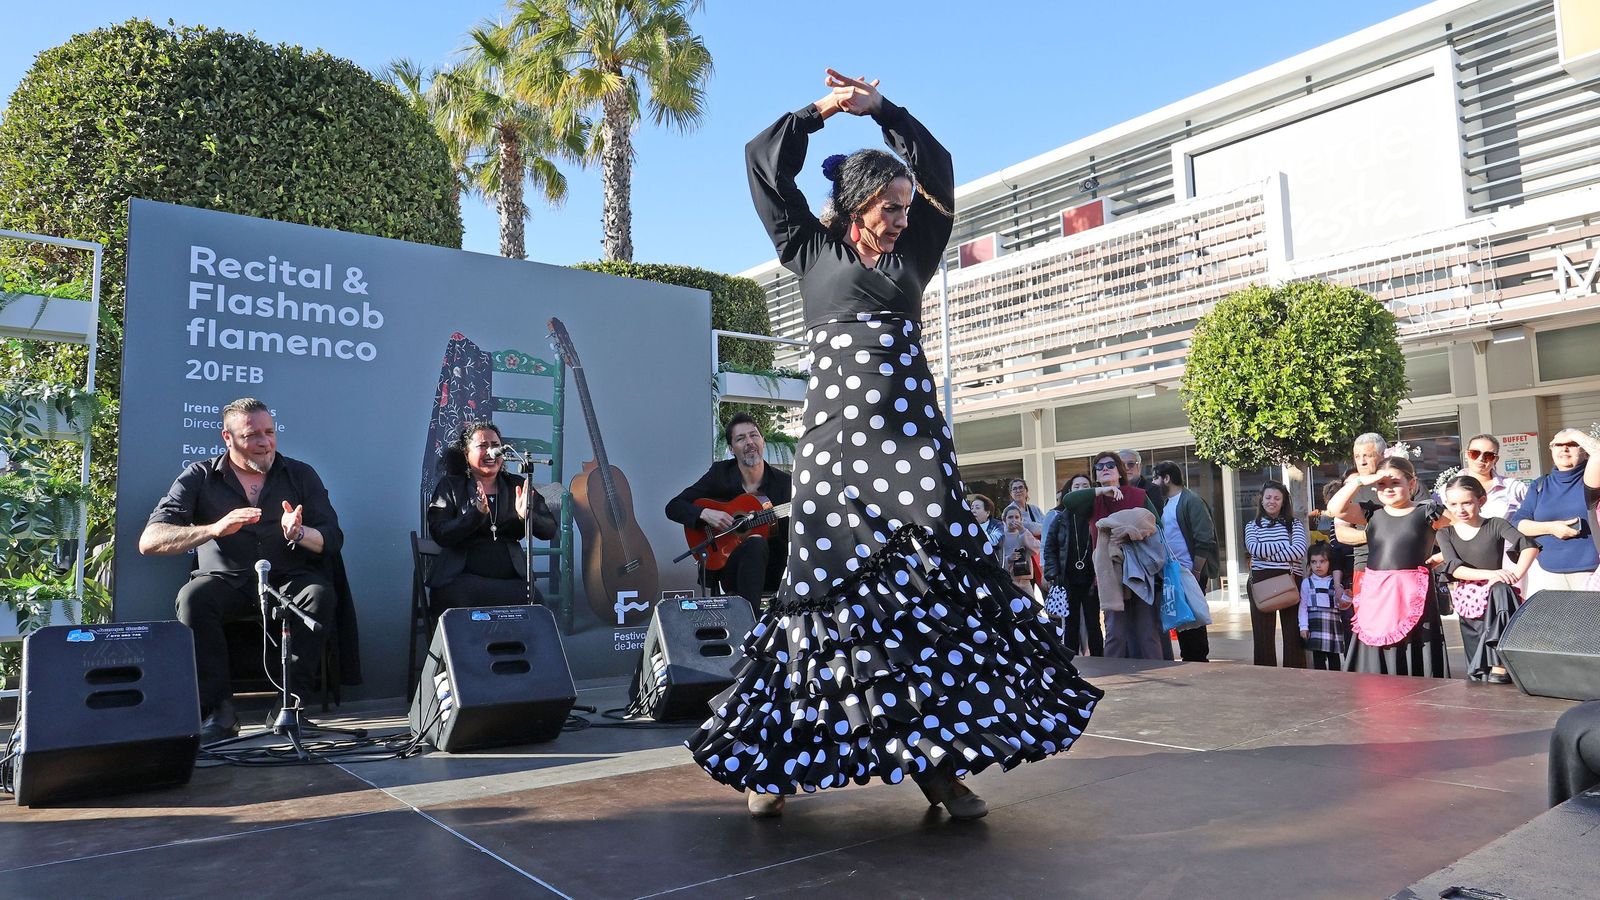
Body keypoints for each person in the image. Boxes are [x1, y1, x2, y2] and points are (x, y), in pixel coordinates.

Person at [688, 69, 1101, 820]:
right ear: (855, 206)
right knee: (820, 604)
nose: (902, 218)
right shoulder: (808, 249)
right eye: (889, 207)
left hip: (912, 457)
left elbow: (939, 170)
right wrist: (822, 111)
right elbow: (760, 161)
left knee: (926, 605)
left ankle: (939, 773)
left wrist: (883, 111)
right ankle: (778, 763)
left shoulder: (917, 254)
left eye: (907, 207)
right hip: (833, 459)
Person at [139, 398, 342, 744]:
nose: (264, 442)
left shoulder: (300, 474)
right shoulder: (200, 476)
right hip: (225, 580)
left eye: (269, 433)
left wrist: (299, 532)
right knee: (193, 600)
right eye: (252, 435)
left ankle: (289, 706)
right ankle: (220, 712)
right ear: (228, 438)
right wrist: (214, 528)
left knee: (319, 595)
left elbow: (333, 538)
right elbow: (150, 540)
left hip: (284, 581)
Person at [1327, 455, 1449, 677]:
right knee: (1375, 647)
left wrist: (1444, 556)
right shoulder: (1373, 513)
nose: (1388, 489)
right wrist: (1360, 481)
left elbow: (1463, 528)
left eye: (1395, 483)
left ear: (1411, 484)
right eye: (1381, 485)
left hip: (1411, 592)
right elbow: (1335, 508)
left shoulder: (1427, 512)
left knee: (1413, 646)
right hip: (1378, 593)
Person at [426, 422, 558, 613]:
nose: (491, 452)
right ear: (465, 453)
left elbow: (549, 530)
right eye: (482, 446)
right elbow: (440, 533)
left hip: (510, 583)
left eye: (496, 446)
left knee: (535, 602)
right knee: (457, 600)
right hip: (460, 582)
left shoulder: (517, 485)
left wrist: (528, 516)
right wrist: (475, 515)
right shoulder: (451, 486)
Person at [666, 413, 793, 608]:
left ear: (763, 441)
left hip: (774, 570)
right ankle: (750, 624)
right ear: (731, 448)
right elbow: (673, 507)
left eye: (754, 435)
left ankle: (752, 624)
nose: (749, 442)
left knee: (757, 541)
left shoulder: (785, 483)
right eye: (741, 438)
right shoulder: (721, 474)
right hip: (729, 568)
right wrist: (704, 514)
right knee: (755, 543)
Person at [1058, 451, 1164, 659]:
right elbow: (1069, 500)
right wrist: (1102, 490)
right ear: (1095, 476)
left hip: (1140, 569)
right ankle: (1115, 676)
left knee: (1147, 632)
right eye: (1099, 467)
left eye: (1109, 466)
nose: (1104, 469)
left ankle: (1156, 672)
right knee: (1115, 633)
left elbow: (1157, 526)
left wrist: (1132, 531)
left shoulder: (1137, 495)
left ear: (1119, 471)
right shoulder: (1093, 501)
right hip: (1109, 574)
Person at [1436, 474, 1538, 683]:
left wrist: (1514, 575)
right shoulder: (1445, 533)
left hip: (1495, 594)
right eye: (1453, 504)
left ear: (1481, 501)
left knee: (1502, 591)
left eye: (1467, 503)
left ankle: (1500, 665)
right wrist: (1492, 574)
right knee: (1476, 668)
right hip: (1468, 598)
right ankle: (1485, 671)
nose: (1460, 510)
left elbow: (1529, 545)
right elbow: (1455, 568)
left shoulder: (1495, 524)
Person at [1511, 431, 1599, 594]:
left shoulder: (1593, 481)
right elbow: (1518, 523)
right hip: (1547, 574)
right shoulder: (1540, 485)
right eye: (1558, 444)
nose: (1564, 449)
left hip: (1591, 573)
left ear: (1585, 451)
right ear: (1551, 450)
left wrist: (1574, 433)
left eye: (1572, 445)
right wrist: (1551, 528)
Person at [1149, 461, 1216, 663]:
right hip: (1177, 572)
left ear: (1167, 478)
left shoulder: (1191, 501)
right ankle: (1189, 659)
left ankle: (1198, 660)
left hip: (1190, 572)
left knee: (1195, 619)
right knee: (1184, 618)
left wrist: (1196, 571)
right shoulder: (1167, 503)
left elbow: (1205, 538)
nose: (1153, 482)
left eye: (1156, 477)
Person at [1243, 480, 1307, 668]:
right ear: (1261, 500)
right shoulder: (1251, 525)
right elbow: (1254, 548)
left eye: (1277, 498)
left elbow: (1299, 551)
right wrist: (1282, 546)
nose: (1272, 501)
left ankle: (1295, 673)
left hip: (1291, 581)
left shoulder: (1294, 524)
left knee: (1293, 634)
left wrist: (1267, 553)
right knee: (1262, 636)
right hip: (1261, 582)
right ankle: (1265, 674)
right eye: (1268, 497)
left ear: (1283, 501)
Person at [1043, 474, 1101, 655]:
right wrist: (1052, 573)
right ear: (1070, 491)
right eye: (1077, 486)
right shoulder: (1060, 518)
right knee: (1070, 623)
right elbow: (1049, 547)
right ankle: (1072, 661)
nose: (1081, 489)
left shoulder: (1097, 516)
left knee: (1094, 623)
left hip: (1093, 579)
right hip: (1067, 579)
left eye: (1085, 485)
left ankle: (1100, 659)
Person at [1296, 544, 1348, 670]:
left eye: (1322, 561)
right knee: (1318, 659)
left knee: (1334, 658)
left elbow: (1343, 605)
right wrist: (1303, 626)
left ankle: (1334, 683)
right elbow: (1303, 606)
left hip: (1333, 627)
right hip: (1315, 627)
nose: (1318, 566)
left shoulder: (1335, 584)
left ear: (1330, 562)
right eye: (1314, 562)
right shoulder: (1307, 583)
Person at [1454, 433, 1528, 520]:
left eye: (1488, 455)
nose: (1481, 458)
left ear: (1495, 459)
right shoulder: (1447, 489)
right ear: (1466, 454)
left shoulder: (1514, 488)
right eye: (1475, 453)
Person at [999, 504, 1042, 594]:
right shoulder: (1000, 537)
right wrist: (1009, 558)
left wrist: (1023, 531)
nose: (1014, 520)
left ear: (1021, 519)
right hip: (1009, 581)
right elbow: (997, 560)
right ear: (1004, 520)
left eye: (1016, 517)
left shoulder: (1024, 533)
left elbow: (1036, 549)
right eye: (1010, 517)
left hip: (1025, 582)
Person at [965, 492, 1004, 560]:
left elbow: (995, 542)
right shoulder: (967, 526)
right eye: (972, 508)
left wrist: (977, 529)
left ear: (987, 512)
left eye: (977, 508)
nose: (973, 511)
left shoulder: (997, 525)